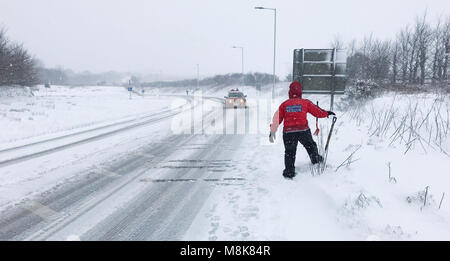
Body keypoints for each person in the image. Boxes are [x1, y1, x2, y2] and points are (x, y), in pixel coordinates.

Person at [269, 81, 336, 179]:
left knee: (289, 152)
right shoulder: (305, 102)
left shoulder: (284, 105)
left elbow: (276, 118)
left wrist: (272, 130)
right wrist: (326, 113)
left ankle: (289, 171)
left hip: (288, 132)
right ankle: (316, 160)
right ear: (300, 92)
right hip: (303, 130)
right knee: (310, 146)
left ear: (289, 92)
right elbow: (317, 111)